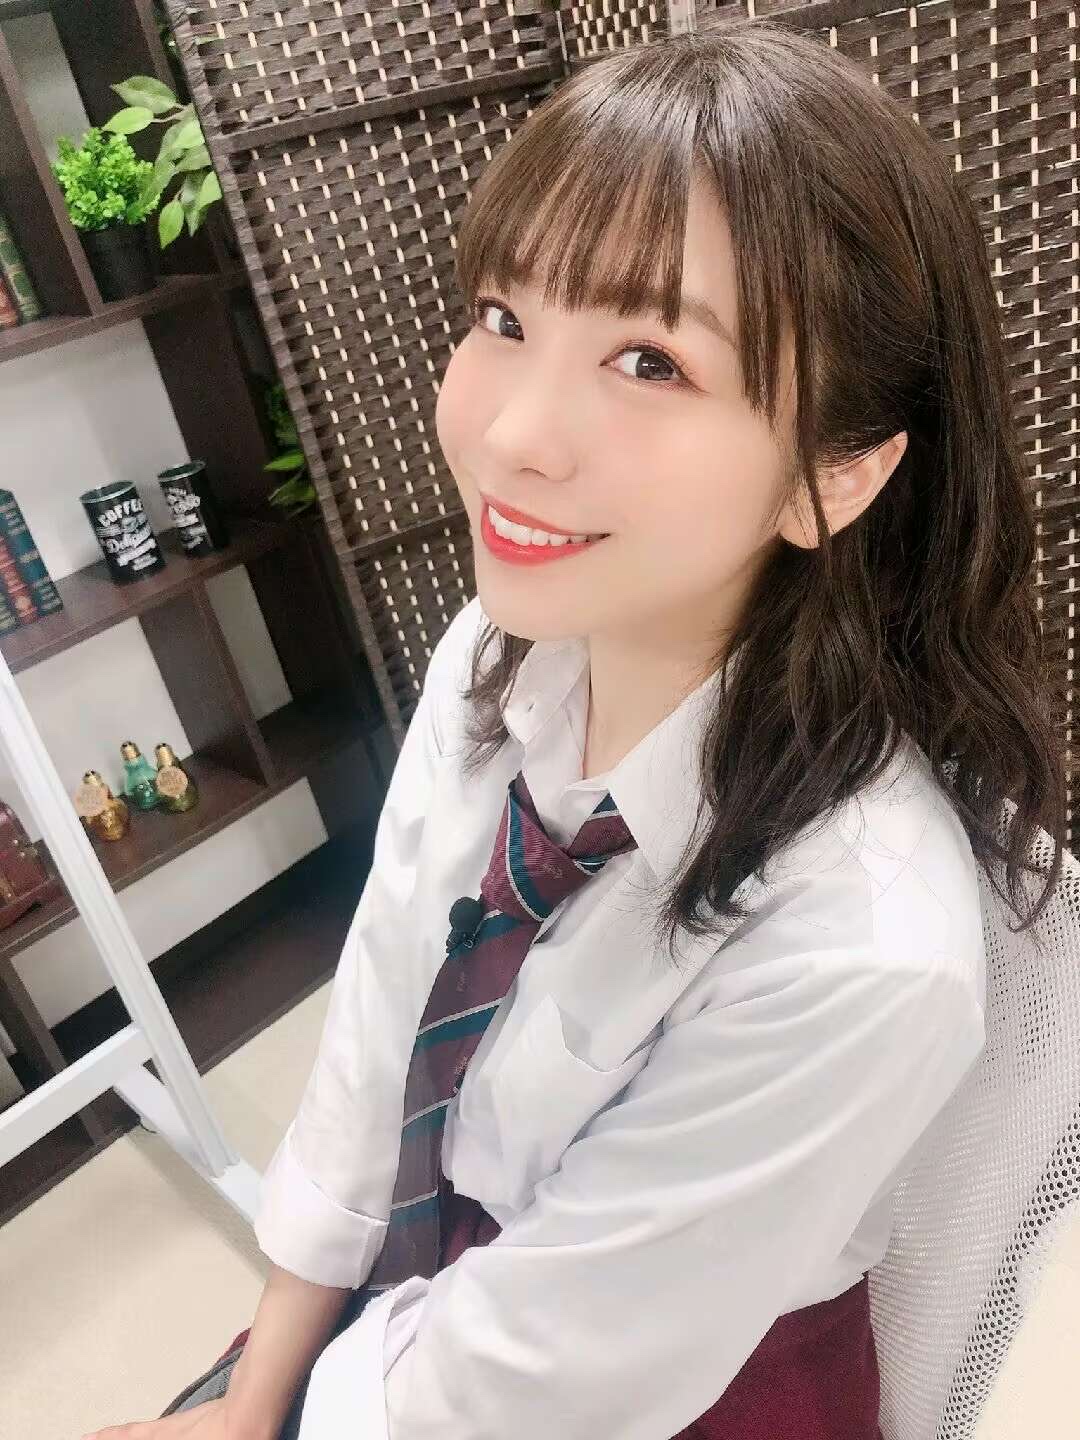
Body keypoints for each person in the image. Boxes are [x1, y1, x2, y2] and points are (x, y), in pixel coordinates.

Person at [88, 15, 1067, 1440]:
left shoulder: (862, 941)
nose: (511, 434)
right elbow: (376, 1034)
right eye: (504, 318)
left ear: (837, 476)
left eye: (652, 361)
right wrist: (254, 1391)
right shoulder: (491, 666)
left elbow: (546, 1369)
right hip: (430, 1293)